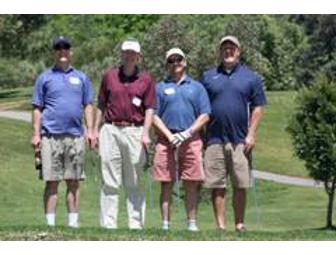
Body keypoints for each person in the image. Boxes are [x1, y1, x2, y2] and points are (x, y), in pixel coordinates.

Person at [200, 36, 267, 232]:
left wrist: (251, 134)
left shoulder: (251, 77)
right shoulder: (208, 76)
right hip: (213, 139)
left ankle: (239, 224)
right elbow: (201, 108)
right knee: (217, 184)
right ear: (220, 52)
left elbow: (258, 108)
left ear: (239, 51)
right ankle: (220, 225)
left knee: (240, 183)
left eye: (232, 48)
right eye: (225, 48)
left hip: (240, 139)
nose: (228, 51)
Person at [31, 36, 95, 228]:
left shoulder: (81, 77)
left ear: (71, 51)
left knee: (73, 182)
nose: (62, 51)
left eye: (65, 47)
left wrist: (90, 130)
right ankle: (50, 225)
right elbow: (37, 108)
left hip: (75, 136)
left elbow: (88, 105)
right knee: (51, 182)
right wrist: (36, 134)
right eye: (58, 48)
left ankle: (73, 225)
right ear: (54, 52)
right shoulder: (44, 77)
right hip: (50, 136)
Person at [94, 39, 156, 230]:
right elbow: (101, 105)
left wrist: (146, 133)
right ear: (121, 54)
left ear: (138, 56)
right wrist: (95, 130)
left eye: (133, 53)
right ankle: (108, 224)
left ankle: (135, 225)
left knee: (134, 180)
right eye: (126, 52)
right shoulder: (109, 76)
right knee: (109, 178)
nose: (129, 56)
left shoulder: (146, 79)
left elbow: (150, 109)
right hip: (110, 129)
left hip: (134, 131)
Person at [152, 48, 211, 231]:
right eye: (171, 60)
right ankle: (165, 225)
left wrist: (187, 133)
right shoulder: (160, 87)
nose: (175, 63)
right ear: (167, 64)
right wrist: (170, 136)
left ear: (185, 62)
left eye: (179, 59)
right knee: (166, 183)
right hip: (166, 139)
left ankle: (192, 224)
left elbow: (205, 114)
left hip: (191, 139)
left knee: (191, 183)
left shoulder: (197, 87)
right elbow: (153, 115)